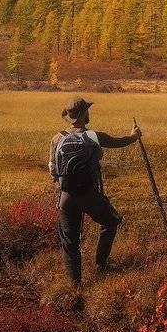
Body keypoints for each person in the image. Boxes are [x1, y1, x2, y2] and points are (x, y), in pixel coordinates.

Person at [48, 96, 141, 287]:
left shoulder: (57, 138)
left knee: (69, 241)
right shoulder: (93, 136)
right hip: (90, 196)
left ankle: (75, 286)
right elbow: (119, 142)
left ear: (69, 117)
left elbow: (53, 172)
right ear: (84, 115)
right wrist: (134, 135)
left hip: (66, 197)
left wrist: (64, 187)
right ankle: (101, 265)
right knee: (110, 222)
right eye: (87, 111)